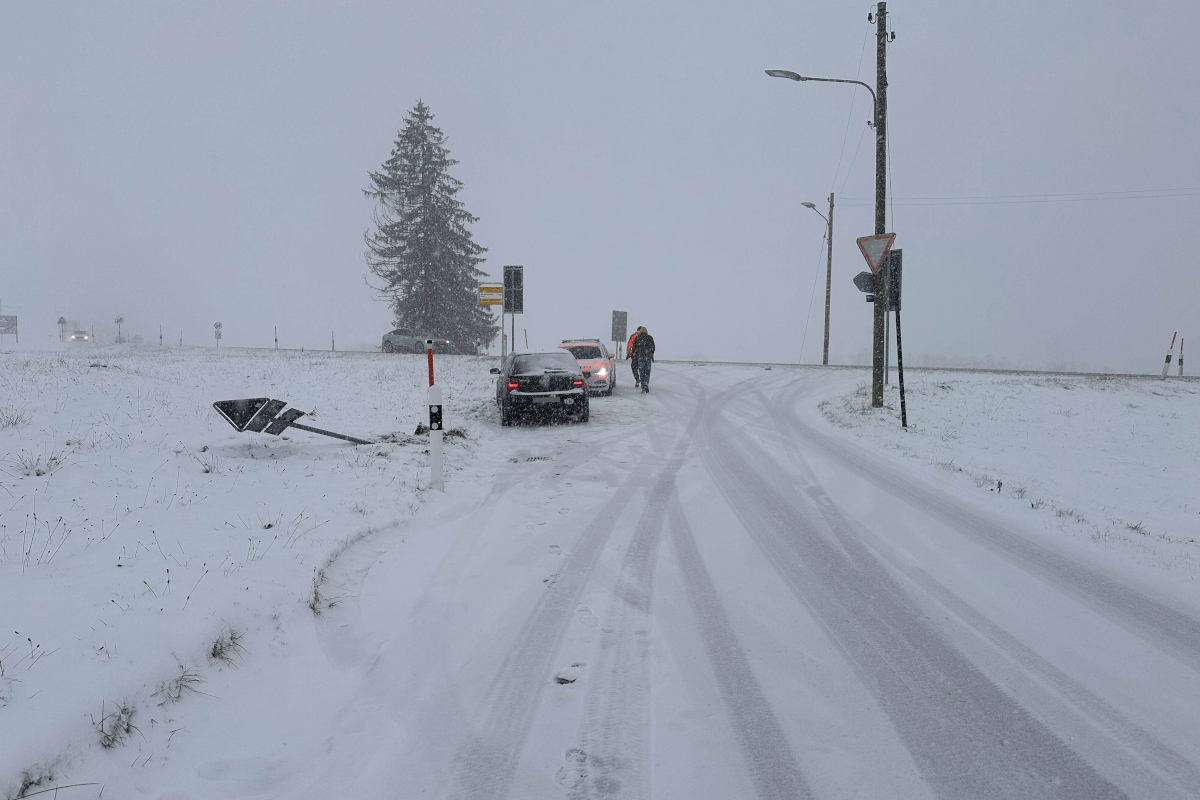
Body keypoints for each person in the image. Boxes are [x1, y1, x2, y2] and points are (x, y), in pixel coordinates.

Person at [630, 326, 655, 393]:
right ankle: (646, 383)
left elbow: (634, 348)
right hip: (648, 357)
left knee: (641, 372)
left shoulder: (637, 338)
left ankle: (643, 385)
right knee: (647, 371)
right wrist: (651, 354)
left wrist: (633, 355)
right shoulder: (650, 337)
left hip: (640, 357)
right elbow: (653, 347)